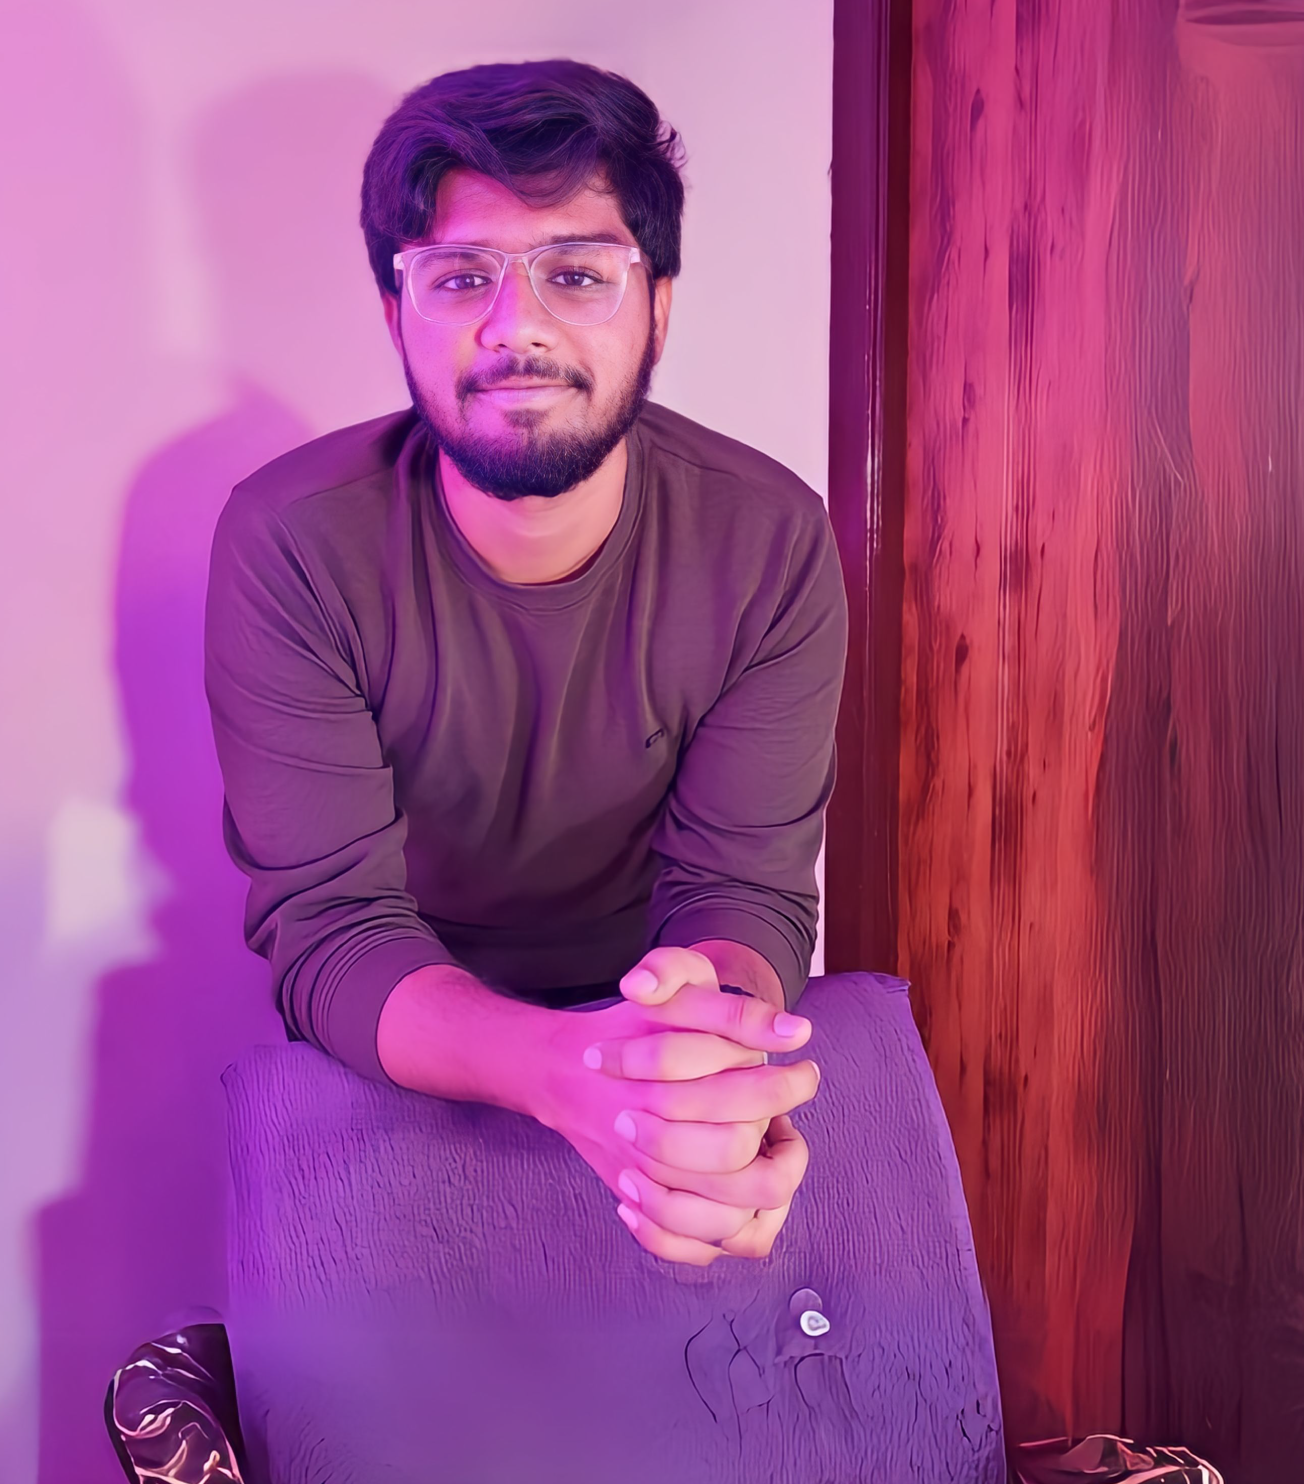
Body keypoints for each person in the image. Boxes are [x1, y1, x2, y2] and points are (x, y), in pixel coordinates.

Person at [204, 58, 846, 1268]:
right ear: (396, 314)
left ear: (657, 305)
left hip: (655, 1029)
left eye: (577, 273)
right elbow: (331, 924)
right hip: (395, 1040)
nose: (518, 326)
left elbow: (743, 886)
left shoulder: (770, 539)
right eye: (461, 277)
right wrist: (568, 1068)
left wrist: (702, 1050)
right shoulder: (293, 540)